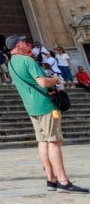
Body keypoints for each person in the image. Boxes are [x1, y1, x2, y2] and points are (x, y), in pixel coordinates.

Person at [6, 35, 88, 193]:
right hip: (45, 105)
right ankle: (63, 181)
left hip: (31, 107)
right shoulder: (27, 60)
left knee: (43, 141)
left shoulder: (11, 63)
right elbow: (42, 82)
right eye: (23, 42)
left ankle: (51, 179)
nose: (26, 43)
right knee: (54, 142)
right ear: (18, 45)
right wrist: (56, 79)